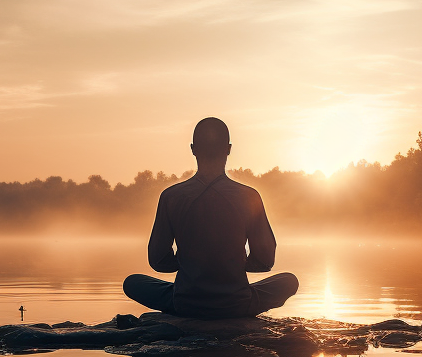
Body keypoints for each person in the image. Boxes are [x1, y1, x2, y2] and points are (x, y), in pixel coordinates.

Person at [123, 117, 299, 319]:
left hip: (185, 303)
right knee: (289, 281)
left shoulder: (171, 196)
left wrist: (192, 265)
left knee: (132, 282)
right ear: (229, 149)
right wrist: (231, 264)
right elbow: (265, 260)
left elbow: (158, 260)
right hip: (237, 304)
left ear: (193, 149)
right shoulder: (249, 197)